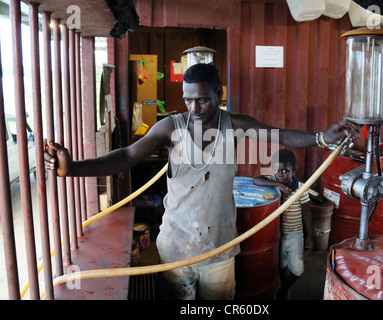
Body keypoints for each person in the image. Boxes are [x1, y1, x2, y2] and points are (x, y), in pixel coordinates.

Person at [44, 63, 357, 300]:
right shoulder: (171, 127)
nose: (194, 108)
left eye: (203, 100)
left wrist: (320, 138)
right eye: (188, 100)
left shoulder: (234, 125)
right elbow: (127, 156)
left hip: (218, 250)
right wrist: (73, 168)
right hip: (175, 247)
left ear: (218, 96)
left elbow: (279, 135)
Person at [253, 149, 312, 300]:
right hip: (277, 235)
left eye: (285, 170)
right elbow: (256, 180)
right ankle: (284, 290)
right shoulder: (273, 180)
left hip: (295, 234)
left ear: (294, 170)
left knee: (297, 270)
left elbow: (306, 213)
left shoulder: (302, 188)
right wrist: (278, 185)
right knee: (281, 265)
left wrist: (309, 237)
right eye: (277, 170)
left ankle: (285, 288)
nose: (280, 174)